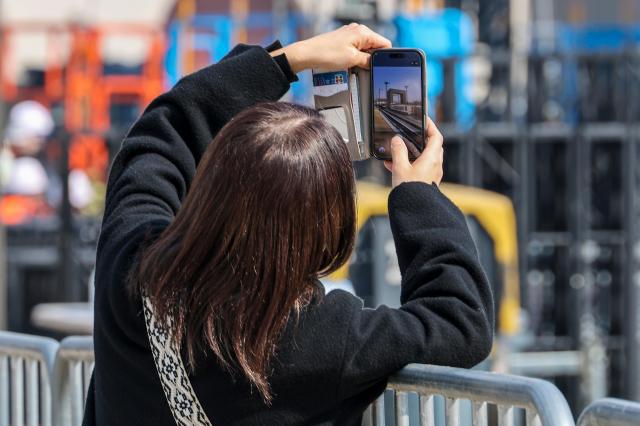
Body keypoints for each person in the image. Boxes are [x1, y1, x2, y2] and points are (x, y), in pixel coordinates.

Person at [86, 24, 493, 426]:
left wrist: (291, 59)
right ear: (324, 228)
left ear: (212, 180)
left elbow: (166, 127)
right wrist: (418, 195)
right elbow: (459, 323)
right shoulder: (316, 338)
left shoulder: (131, 264)